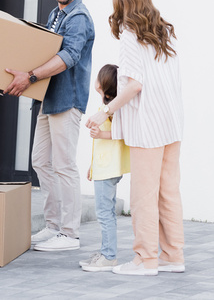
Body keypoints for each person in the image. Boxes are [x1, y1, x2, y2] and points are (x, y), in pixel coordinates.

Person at [86, 0, 184, 276]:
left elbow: (134, 86)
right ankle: (172, 256)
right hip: (172, 125)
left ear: (122, 3)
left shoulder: (130, 36)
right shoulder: (165, 33)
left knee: (144, 197)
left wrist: (105, 111)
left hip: (147, 128)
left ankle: (146, 260)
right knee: (168, 194)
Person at [4, 0, 94, 252]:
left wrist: (30, 76)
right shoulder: (56, 13)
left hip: (68, 100)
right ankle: (53, 226)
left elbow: (69, 55)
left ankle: (69, 233)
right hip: (49, 98)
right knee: (41, 161)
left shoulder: (78, 16)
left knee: (64, 165)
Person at [80, 63, 131, 272]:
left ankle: (109, 256)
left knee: (104, 213)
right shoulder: (109, 109)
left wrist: (100, 134)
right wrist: (93, 165)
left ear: (102, 84)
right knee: (106, 212)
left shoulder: (113, 111)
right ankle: (105, 252)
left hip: (108, 169)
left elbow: (123, 133)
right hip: (105, 168)